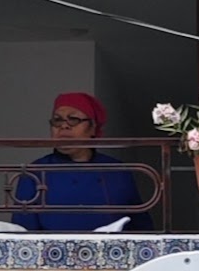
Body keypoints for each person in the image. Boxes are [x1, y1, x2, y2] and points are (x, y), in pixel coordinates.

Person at [9, 91, 141, 233]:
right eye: (57, 120)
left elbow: (140, 226)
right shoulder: (33, 173)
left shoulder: (118, 171)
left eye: (73, 119)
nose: (64, 126)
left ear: (93, 128)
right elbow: (22, 233)